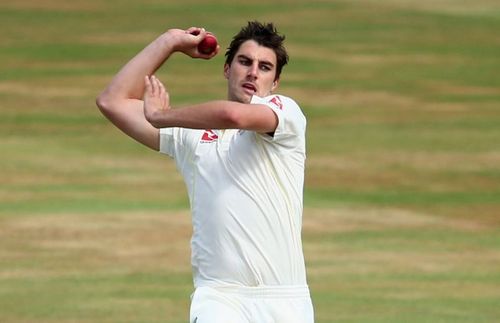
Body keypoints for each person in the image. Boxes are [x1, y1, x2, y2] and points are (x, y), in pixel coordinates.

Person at [96, 21, 313, 323]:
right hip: (219, 298)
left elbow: (233, 115)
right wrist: (170, 41)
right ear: (227, 69)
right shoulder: (190, 136)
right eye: (244, 61)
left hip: (285, 300)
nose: (253, 72)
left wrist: (161, 115)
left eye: (265, 67)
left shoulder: (286, 116)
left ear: (274, 83)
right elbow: (112, 101)